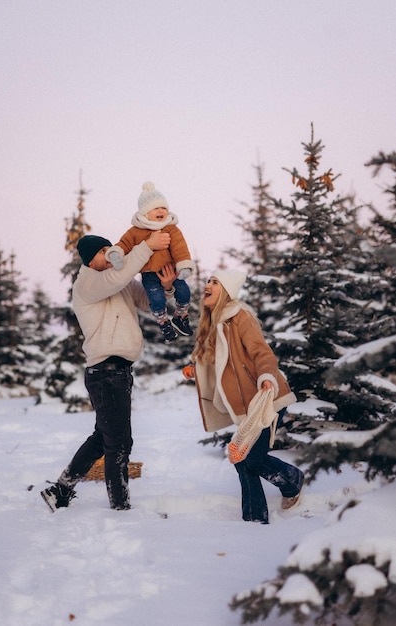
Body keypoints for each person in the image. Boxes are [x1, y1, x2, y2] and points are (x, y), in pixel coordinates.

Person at [41, 232, 176, 512]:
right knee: (119, 443)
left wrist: (167, 288)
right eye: (103, 251)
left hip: (120, 371)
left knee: (104, 438)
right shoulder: (87, 282)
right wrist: (146, 247)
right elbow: (117, 277)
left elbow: (150, 303)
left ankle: (60, 490)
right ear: (90, 259)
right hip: (104, 372)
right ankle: (120, 507)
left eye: (110, 248)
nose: (110, 253)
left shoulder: (119, 281)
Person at [183, 269, 304, 524]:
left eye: (215, 282)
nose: (208, 284)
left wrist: (267, 377)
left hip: (265, 398)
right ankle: (254, 519)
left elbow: (262, 352)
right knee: (242, 460)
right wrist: (197, 368)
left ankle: (292, 480)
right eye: (208, 280)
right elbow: (222, 363)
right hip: (245, 406)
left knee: (253, 459)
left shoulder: (239, 317)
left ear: (226, 290)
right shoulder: (213, 325)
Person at [106, 181, 195, 344]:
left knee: (184, 293)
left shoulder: (171, 229)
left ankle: (180, 317)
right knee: (156, 299)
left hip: (172, 271)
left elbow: (179, 247)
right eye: (156, 208)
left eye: (164, 208)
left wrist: (184, 264)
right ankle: (164, 323)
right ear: (145, 212)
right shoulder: (136, 231)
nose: (161, 211)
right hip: (149, 275)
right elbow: (124, 244)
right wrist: (117, 253)